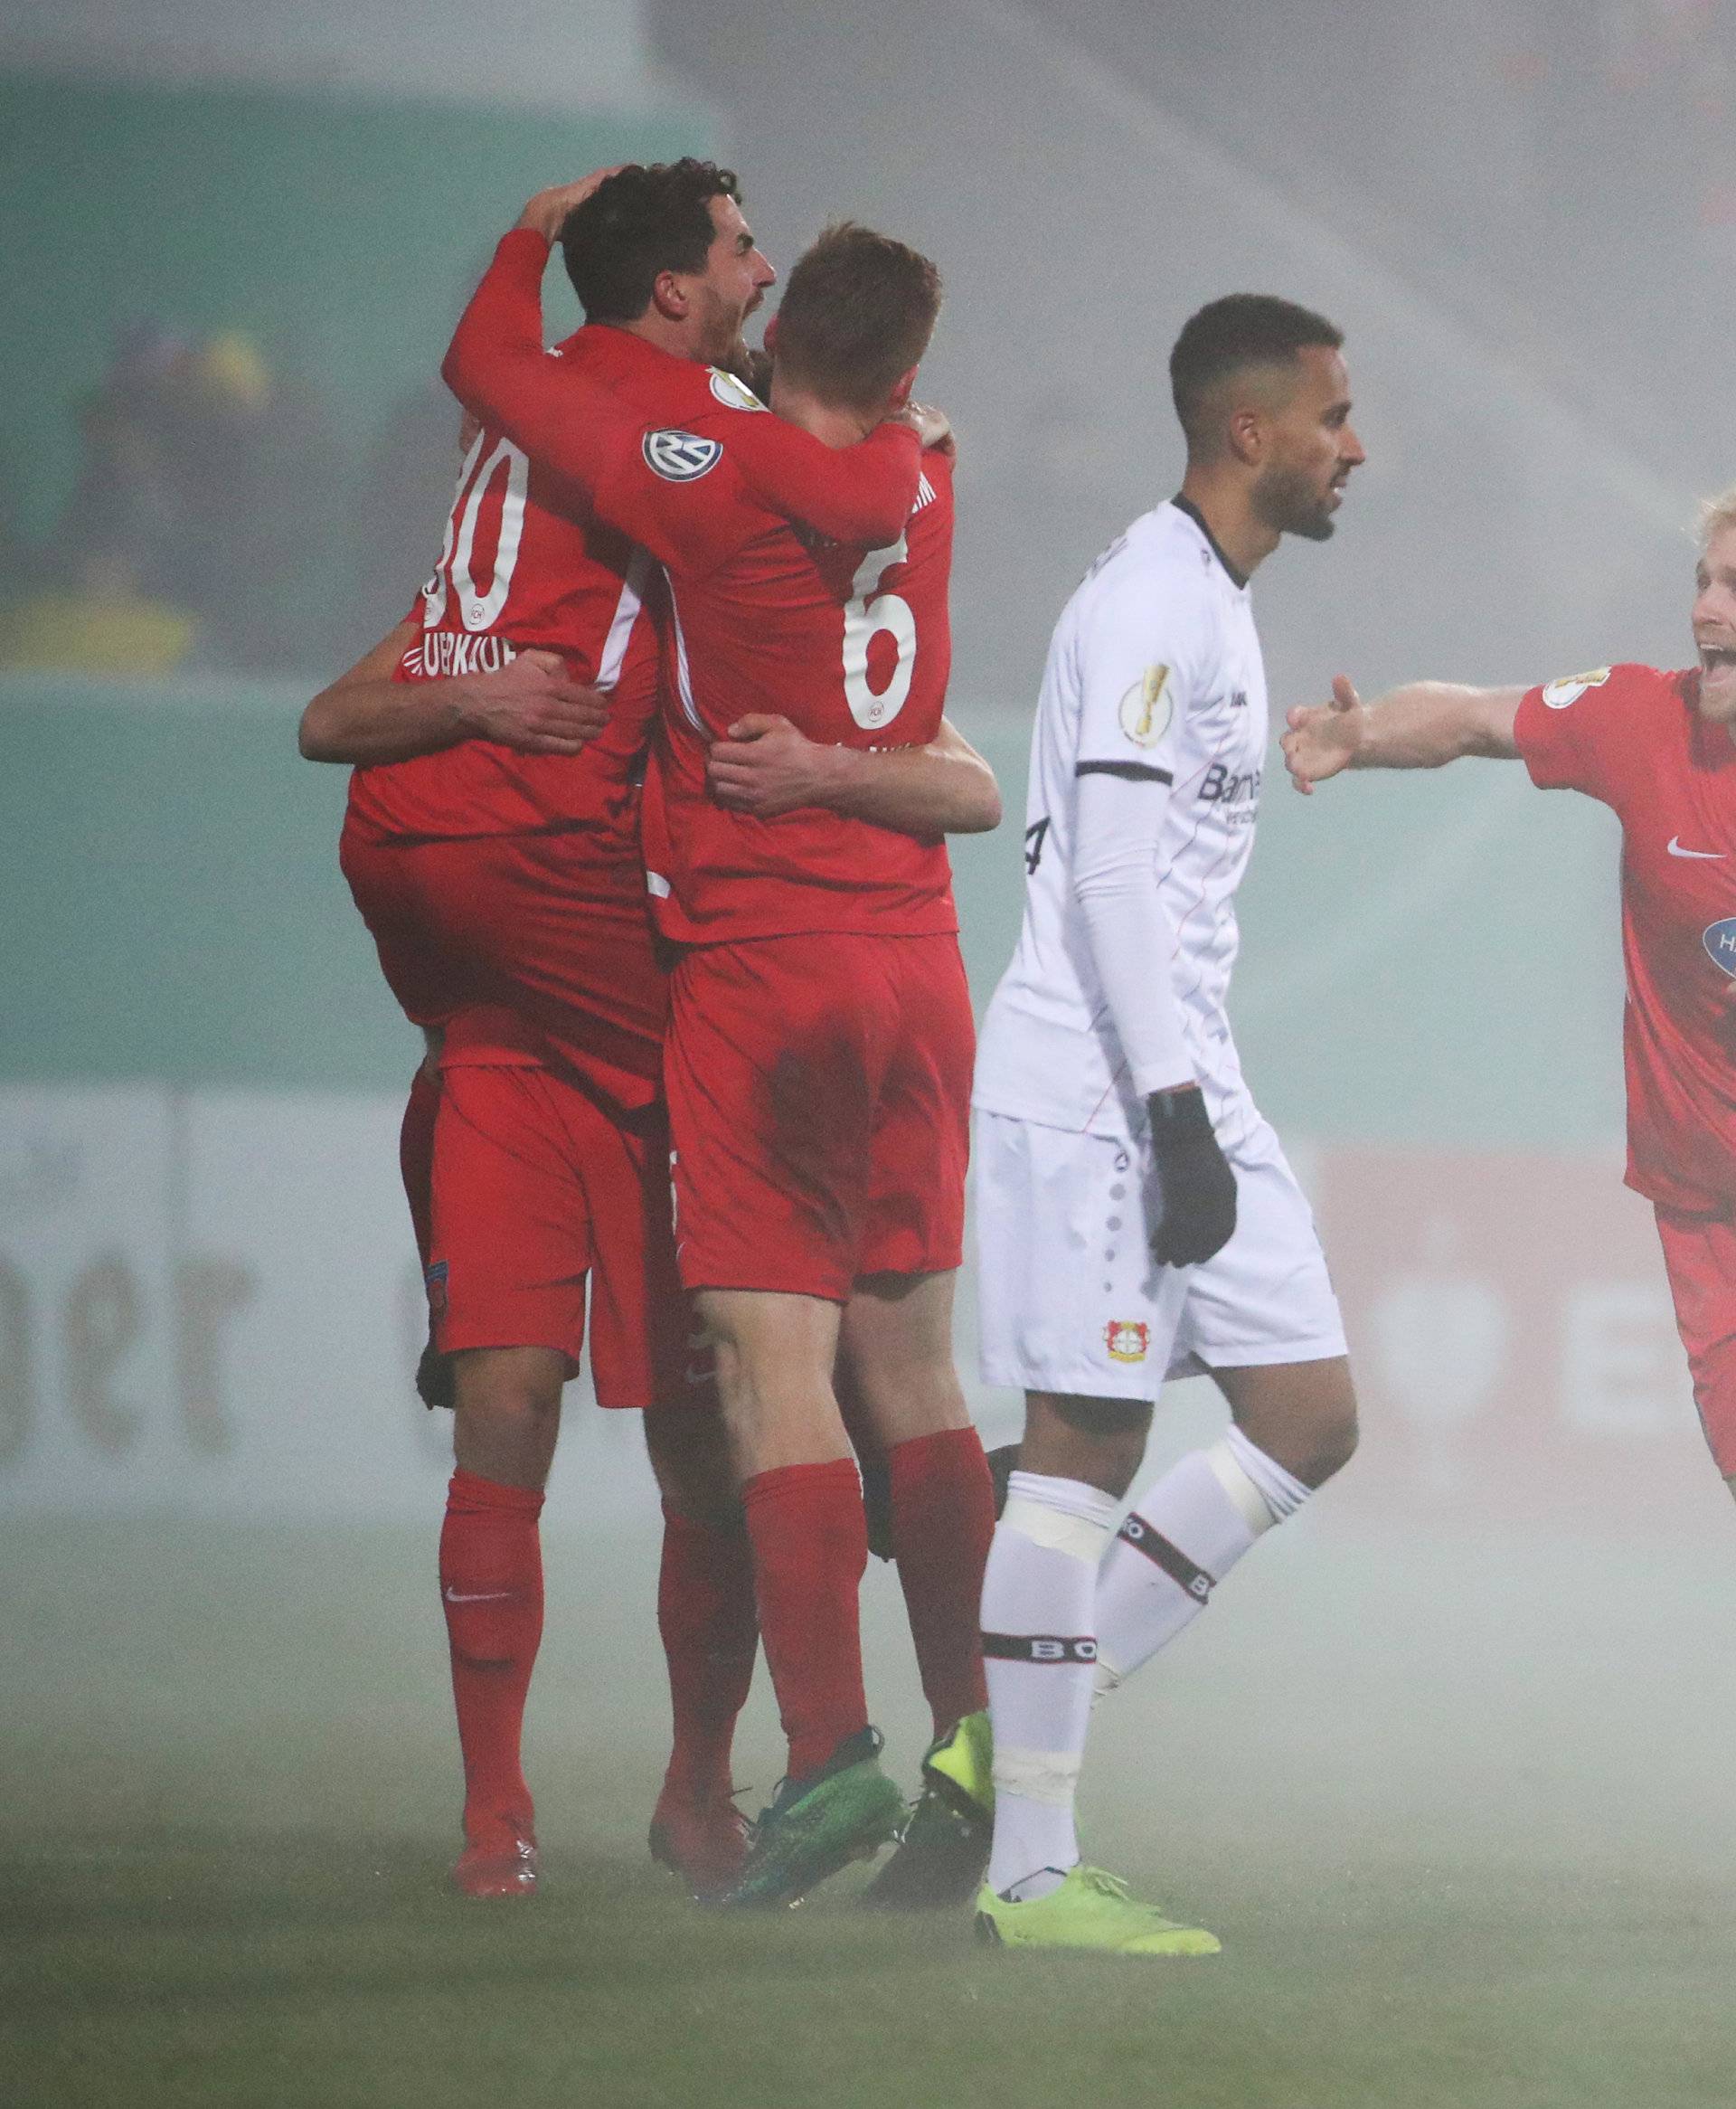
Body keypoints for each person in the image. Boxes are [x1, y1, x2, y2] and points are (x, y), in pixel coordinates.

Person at [301, 161, 973, 1903]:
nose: (756, 262)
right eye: (736, 244)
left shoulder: (549, 430)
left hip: (470, 956)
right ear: (679, 293)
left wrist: (521, 230)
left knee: (518, 1405)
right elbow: (866, 561)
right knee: (771, 1381)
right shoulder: (728, 438)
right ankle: (807, 1745)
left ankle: (500, 1824)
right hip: (670, 945)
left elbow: (327, 713)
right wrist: (906, 441)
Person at [960, 296, 1366, 1955]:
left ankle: (1016, 1717)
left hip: (1186, 1068)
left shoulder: (1214, 596)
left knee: (1308, 1412)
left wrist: (1198, 1093)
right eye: (1337, 414)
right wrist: (1173, 1111)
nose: (1359, 444)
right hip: (1100, 1085)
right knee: (1084, 1448)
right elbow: (1109, 874)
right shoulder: (1150, 598)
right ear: (1249, 431)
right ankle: (1031, 1868)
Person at [1281, 485, 1736, 1499]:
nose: (1706, 609)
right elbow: (1477, 718)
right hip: (1709, 1205)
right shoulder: (1641, 718)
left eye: (1735, 588)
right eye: (1703, 582)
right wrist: (1365, 737)